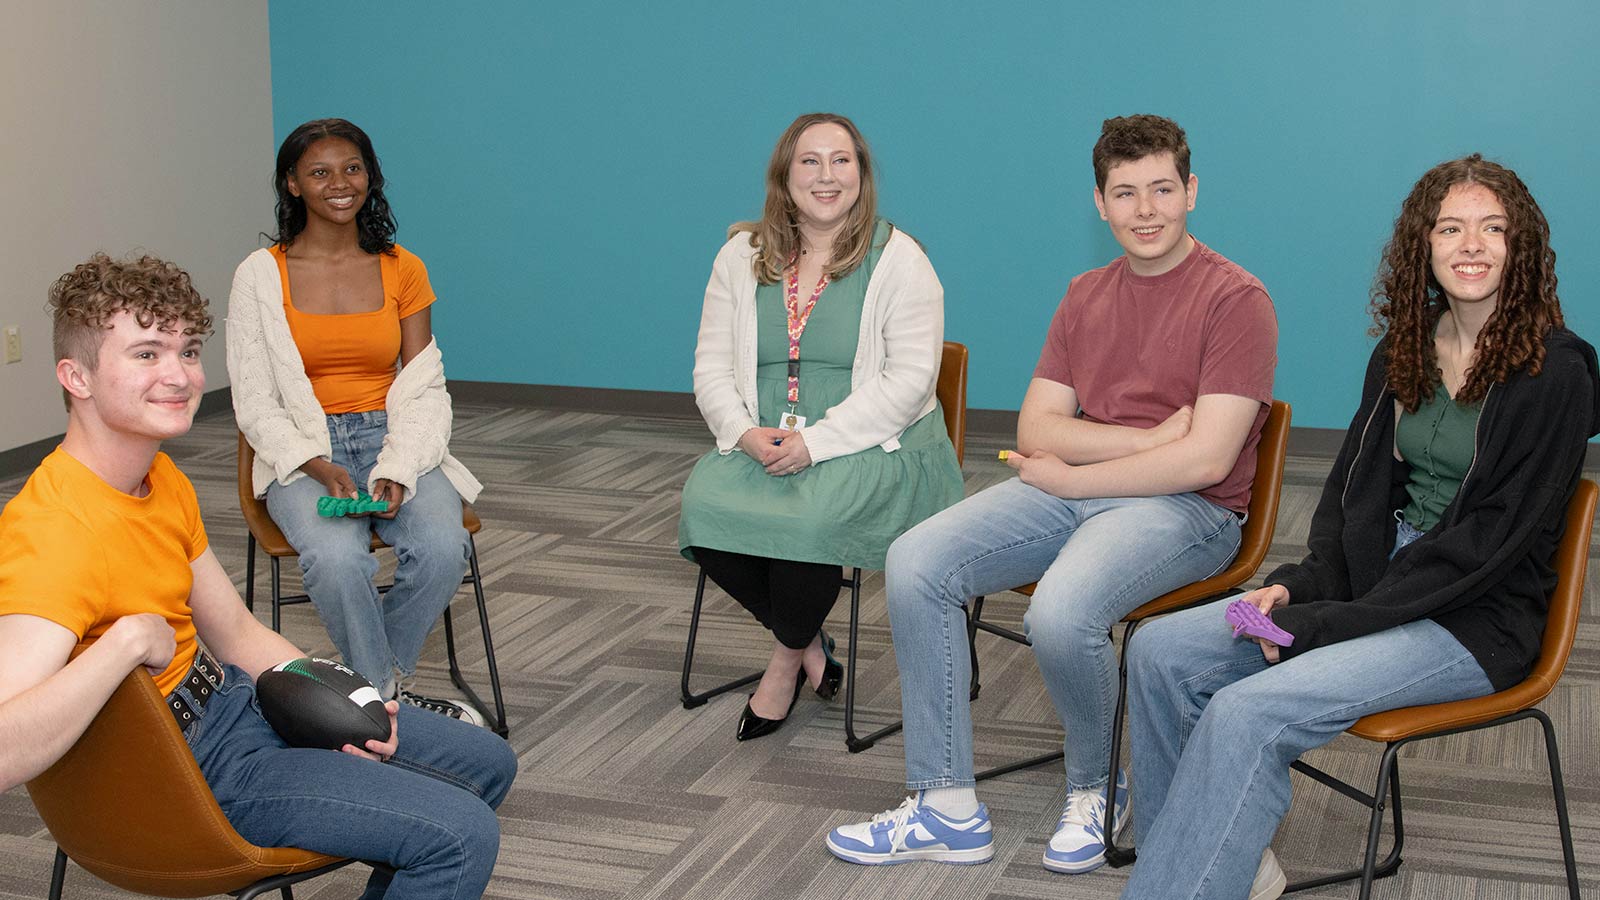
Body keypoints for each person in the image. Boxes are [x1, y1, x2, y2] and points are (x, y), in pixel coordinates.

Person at [1120, 155, 1598, 900]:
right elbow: (1350, 503)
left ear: (1521, 246)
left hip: (1477, 617)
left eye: (1493, 229)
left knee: (1249, 710)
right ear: (1424, 247)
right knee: (1157, 651)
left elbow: (1486, 549)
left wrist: (1329, 623)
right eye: (1451, 229)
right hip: (1384, 586)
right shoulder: (1404, 350)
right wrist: (1298, 588)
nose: (1471, 245)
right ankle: (1218, 862)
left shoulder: (1554, 373)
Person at [827, 115, 1278, 872]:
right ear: (1098, 204)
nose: (1145, 210)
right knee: (915, 560)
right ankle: (945, 806)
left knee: (1062, 612)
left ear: (1191, 192)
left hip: (1190, 512)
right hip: (1084, 488)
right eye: (1125, 193)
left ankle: (1099, 784)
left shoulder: (1236, 300)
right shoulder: (1085, 293)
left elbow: (1204, 460)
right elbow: (1038, 424)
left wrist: (1078, 471)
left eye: (1162, 189)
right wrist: (1140, 442)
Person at [0, 254, 517, 899]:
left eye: (188, 352)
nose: (180, 376)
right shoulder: (55, 530)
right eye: (146, 354)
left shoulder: (159, 480)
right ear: (76, 377)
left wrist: (345, 705)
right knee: (461, 833)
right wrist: (126, 644)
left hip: (235, 704)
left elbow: (239, 635)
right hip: (187, 773)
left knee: (487, 763)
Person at [679, 112, 964, 741]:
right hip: (766, 436)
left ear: (862, 174)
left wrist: (818, 443)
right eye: (810, 161)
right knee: (702, 509)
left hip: (875, 443)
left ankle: (783, 667)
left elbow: (908, 382)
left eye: (842, 160)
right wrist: (742, 433)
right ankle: (810, 643)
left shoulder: (900, 259)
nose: (827, 175)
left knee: (810, 522)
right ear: (785, 174)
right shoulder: (740, 256)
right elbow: (710, 366)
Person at [227, 118, 485, 723]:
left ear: (370, 176)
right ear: (292, 184)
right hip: (301, 444)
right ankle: (388, 699)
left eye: (352, 168)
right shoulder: (259, 276)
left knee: (446, 547)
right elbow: (256, 398)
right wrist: (315, 463)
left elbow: (423, 385)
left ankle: (370, 693)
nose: (339, 184)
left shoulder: (403, 267)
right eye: (319, 172)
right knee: (339, 560)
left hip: (390, 435)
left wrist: (398, 461)